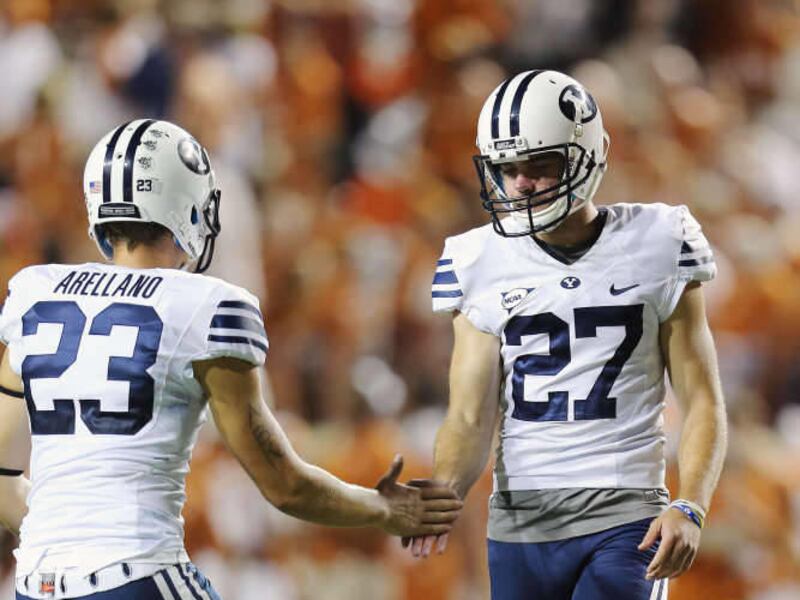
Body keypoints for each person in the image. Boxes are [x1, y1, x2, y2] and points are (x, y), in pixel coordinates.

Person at [0, 119, 462, 600]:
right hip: (136, 575)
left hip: (35, 584)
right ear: (185, 206)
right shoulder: (206, 306)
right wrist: (384, 509)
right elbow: (284, 486)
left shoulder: (36, 293)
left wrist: (66, 538)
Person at [405, 70, 728, 599]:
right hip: (520, 525)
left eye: (539, 165)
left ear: (591, 153)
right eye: (508, 168)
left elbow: (702, 399)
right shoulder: (477, 259)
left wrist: (690, 503)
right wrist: (444, 489)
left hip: (625, 512)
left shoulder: (660, 240)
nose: (521, 183)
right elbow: (468, 415)